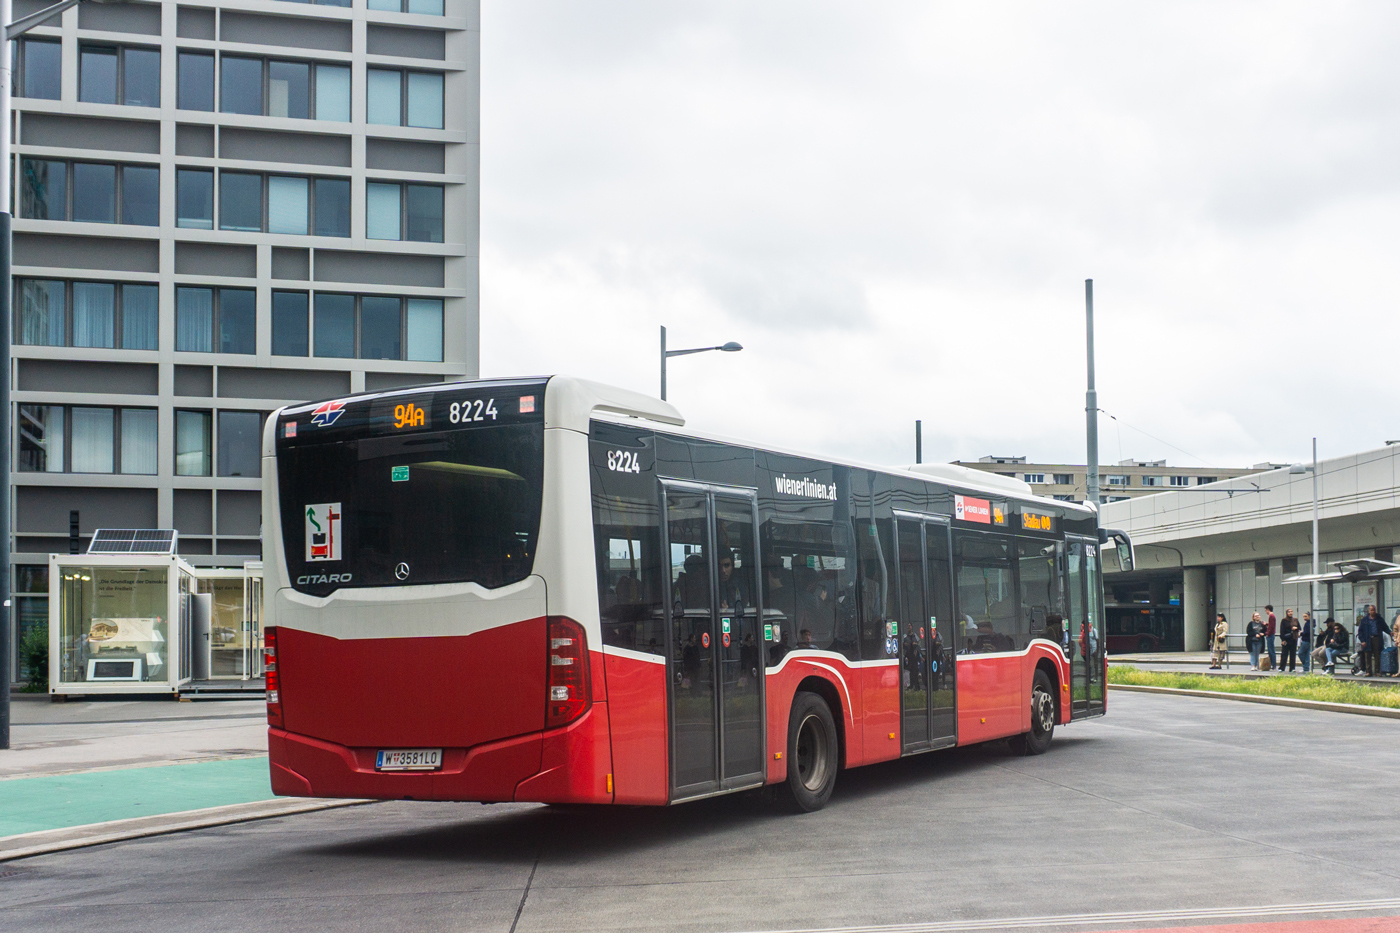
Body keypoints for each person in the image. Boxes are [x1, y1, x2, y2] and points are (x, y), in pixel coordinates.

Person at [1361, 605, 1389, 677]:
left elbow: (1385, 627)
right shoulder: (1364, 620)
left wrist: (1390, 632)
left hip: (1377, 638)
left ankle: (1377, 671)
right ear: (1369, 611)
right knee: (1368, 655)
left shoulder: (1379, 619)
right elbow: (1360, 631)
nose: (1373, 611)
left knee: (1377, 655)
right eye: (1371, 610)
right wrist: (1363, 641)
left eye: (1374, 610)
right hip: (1367, 639)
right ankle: (1368, 671)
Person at [1264, 605, 1278, 670]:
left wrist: (1267, 633)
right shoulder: (1272, 616)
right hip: (1271, 634)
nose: (1265, 612)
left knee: (1271, 650)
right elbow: (1271, 625)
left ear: (1268, 609)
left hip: (1270, 635)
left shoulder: (1271, 616)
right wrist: (1267, 624)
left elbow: (1271, 626)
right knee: (1271, 649)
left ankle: (1273, 664)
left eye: (1265, 610)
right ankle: (1273, 664)